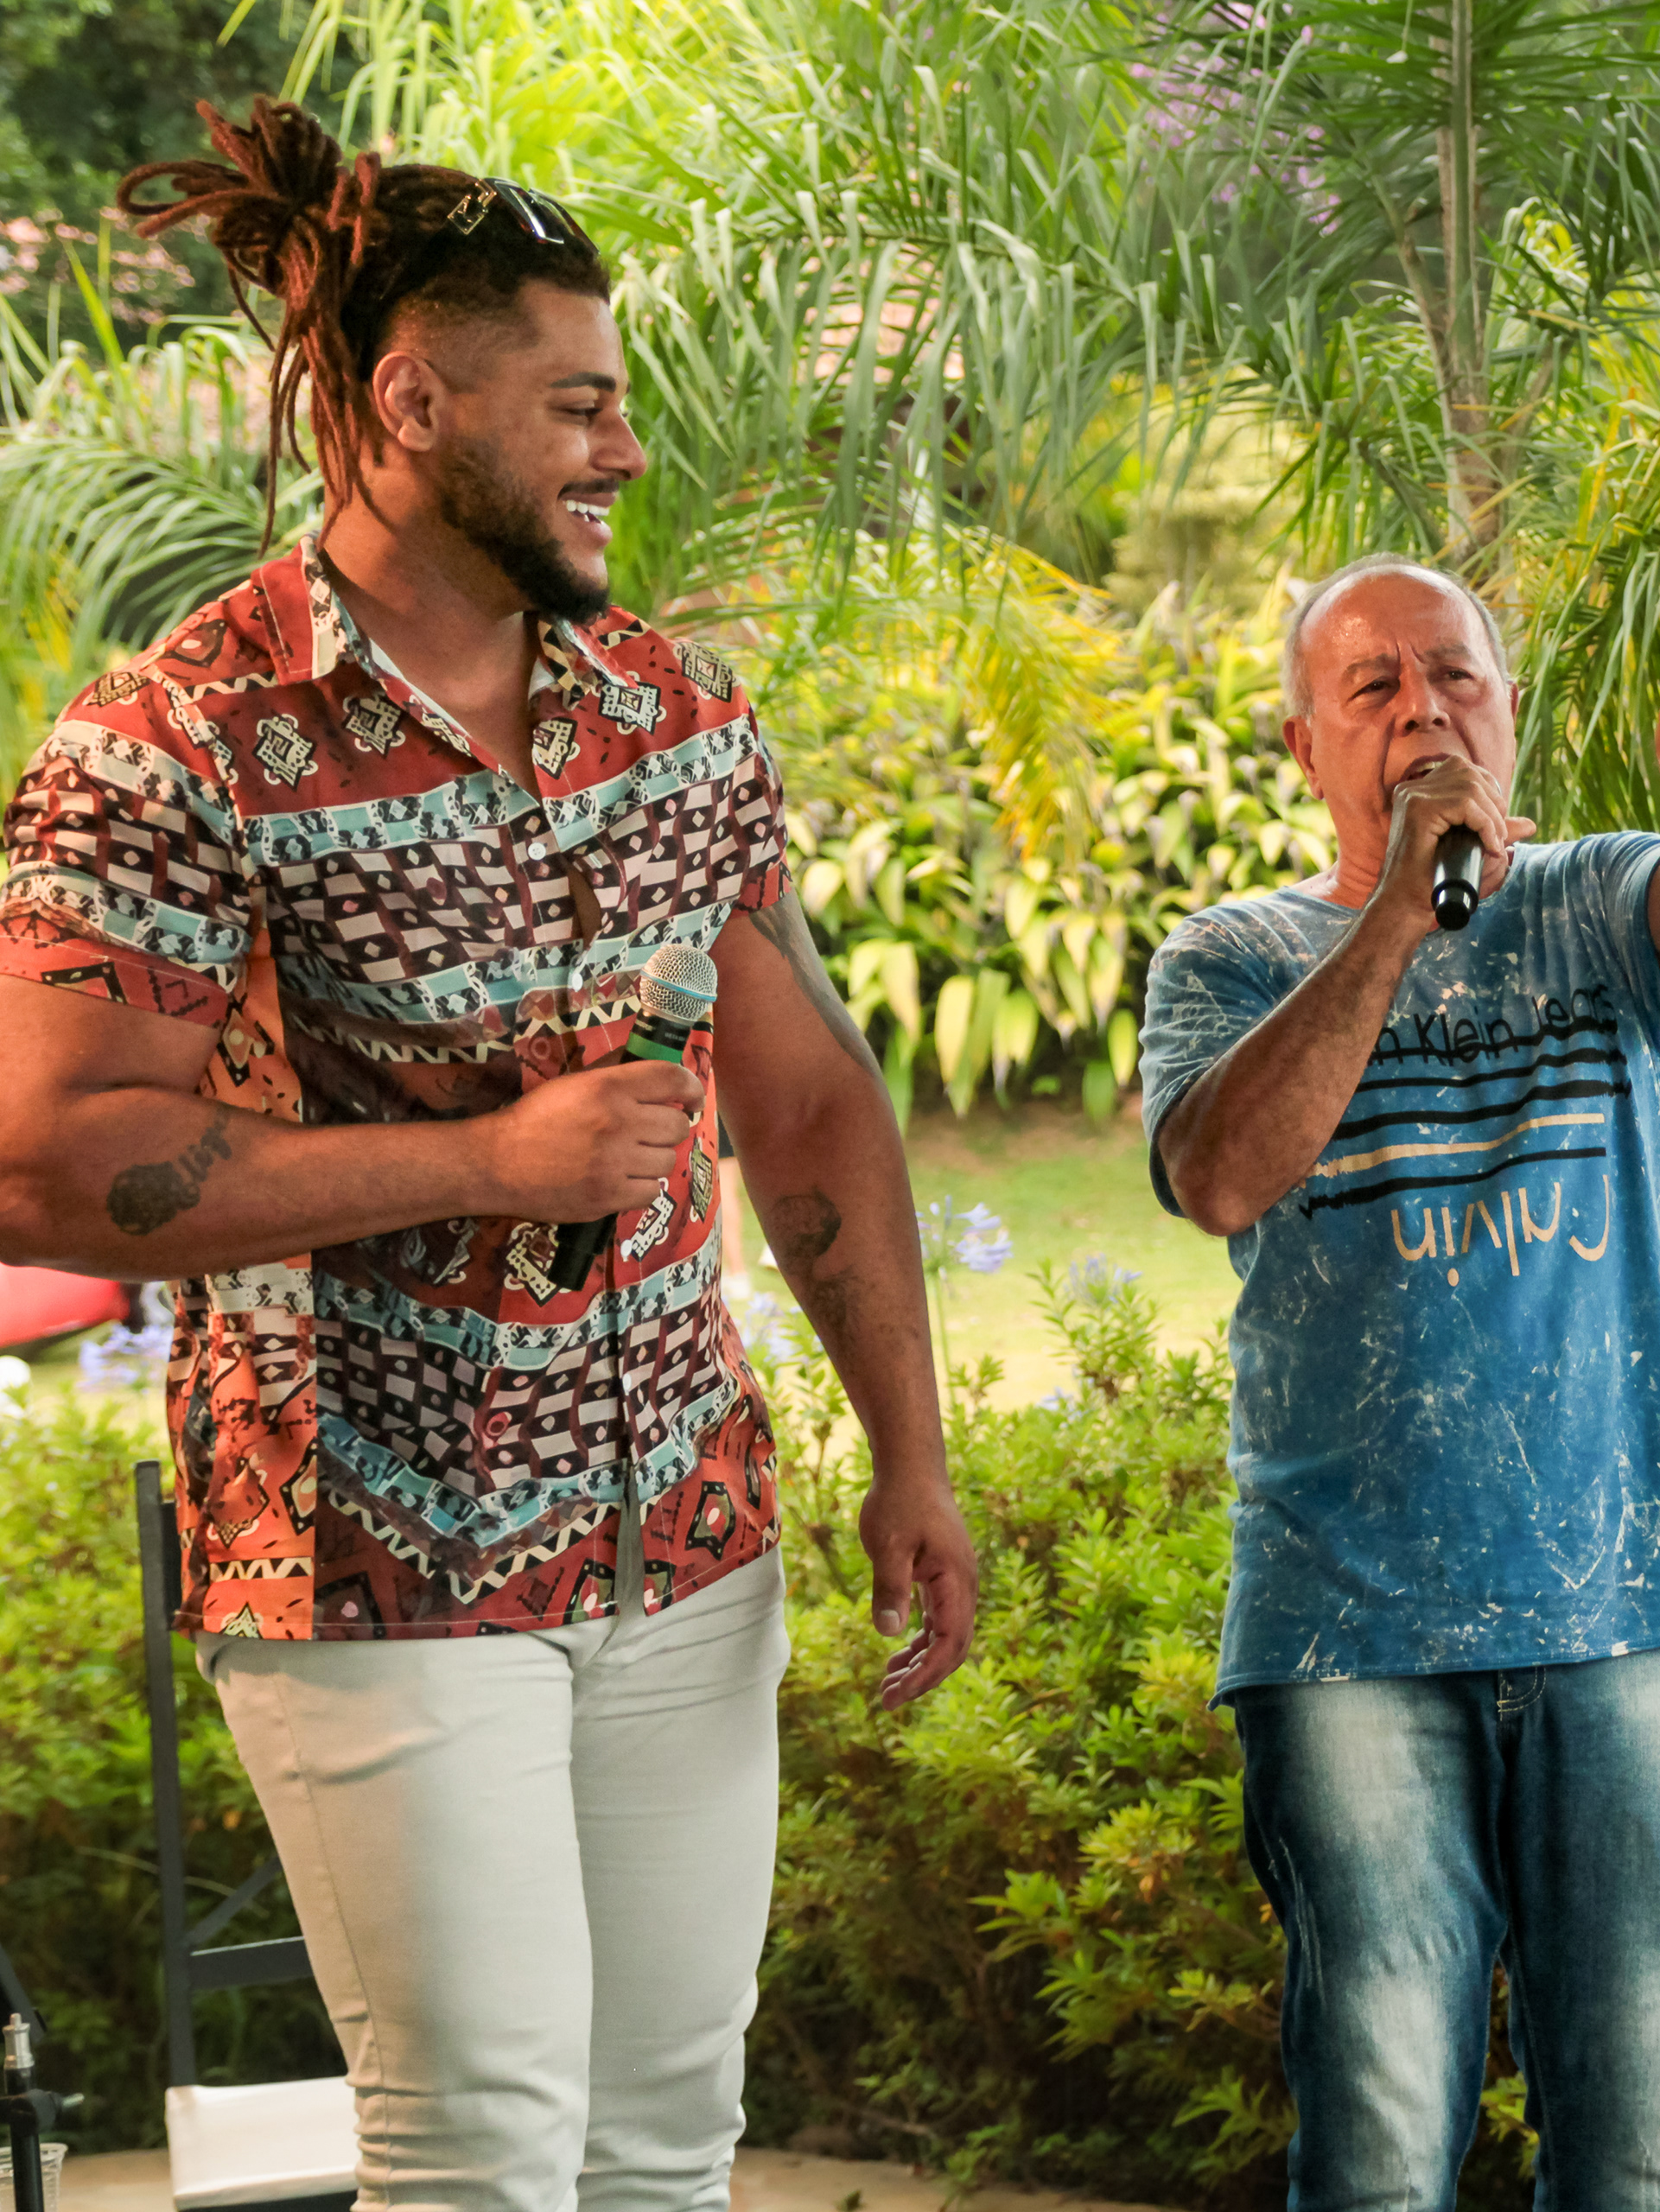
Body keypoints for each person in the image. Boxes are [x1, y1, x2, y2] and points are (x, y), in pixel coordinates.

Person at [0, 99, 976, 2212]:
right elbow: (52, 1167)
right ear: (410, 398)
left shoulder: (678, 713)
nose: (622, 451)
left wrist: (911, 1445)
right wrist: (486, 1161)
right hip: (374, 1548)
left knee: (661, 2144)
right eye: (581, 405)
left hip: (687, 1536)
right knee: (484, 2151)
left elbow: (803, 1101)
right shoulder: (170, 742)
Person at [1137, 555, 1660, 2208]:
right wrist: (1394, 916)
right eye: (1377, 688)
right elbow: (1222, 1177)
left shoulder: (1593, 901)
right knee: (1378, 2141)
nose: (1427, 709)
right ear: (1307, 745)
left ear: (1510, 712)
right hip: (1346, 1625)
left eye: (1457, 678)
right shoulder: (1226, 956)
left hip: (1620, 1601)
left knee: (1637, 2143)